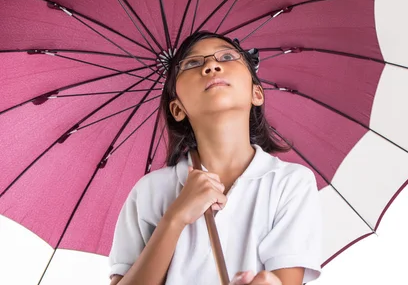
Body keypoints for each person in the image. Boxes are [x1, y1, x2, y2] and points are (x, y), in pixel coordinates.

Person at [107, 31, 322, 285]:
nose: (211, 65)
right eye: (193, 63)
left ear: (257, 94)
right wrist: (175, 218)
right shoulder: (149, 191)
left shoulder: (289, 183)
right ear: (177, 108)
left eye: (228, 56)